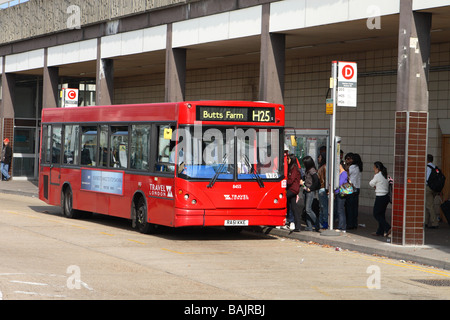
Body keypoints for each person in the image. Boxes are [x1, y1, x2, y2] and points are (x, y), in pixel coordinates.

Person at [369, 161, 391, 237]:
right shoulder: (386, 175)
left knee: (376, 214)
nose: (373, 169)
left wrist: (375, 175)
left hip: (380, 196)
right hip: (386, 197)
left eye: (374, 167)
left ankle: (388, 228)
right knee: (381, 214)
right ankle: (380, 231)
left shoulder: (377, 175)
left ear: (377, 168)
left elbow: (371, 183)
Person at [300, 155, 320, 231]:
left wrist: (310, 188)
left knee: (308, 209)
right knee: (307, 209)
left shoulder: (312, 170)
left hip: (309, 191)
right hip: (305, 189)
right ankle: (309, 226)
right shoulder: (307, 170)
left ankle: (316, 224)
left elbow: (316, 181)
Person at [345, 153, 363, 229]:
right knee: (354, 207)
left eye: (350, 159)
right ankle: (354, 223)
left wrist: (346, 166)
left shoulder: (352, 167)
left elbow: (346, 174)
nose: (348, 160)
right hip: (357, 188)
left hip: (350, 187)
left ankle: (349, 224)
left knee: (349, 207)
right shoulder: (359, 167)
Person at [286, 154, 301, 232]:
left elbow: (291, 180)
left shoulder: (294, 169)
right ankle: (298, 225)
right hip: (293, 189)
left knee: (283, 198)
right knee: (294, 207)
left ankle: (289, 220)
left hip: (293, 189)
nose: (287, 161)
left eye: (288, 159)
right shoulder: (292, 168)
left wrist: (285, 182)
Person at [425, 154, 439, 229]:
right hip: (434, 189)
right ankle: (425, 222)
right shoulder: (435, 167)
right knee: (427, 204)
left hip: (428, 188)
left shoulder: (427, 168)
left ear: (427, 160)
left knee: (430, 206)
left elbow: (426, 179)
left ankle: (434, 223)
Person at [334, 161, 347, 232]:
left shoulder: (344, 173)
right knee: (339, 210)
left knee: (340, 210)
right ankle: (341, 226)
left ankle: (341, 227)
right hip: (337, 193)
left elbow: (339, 183)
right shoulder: (339, 173)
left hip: (341, 193)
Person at [317, 152, 328, 229]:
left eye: (320, 157)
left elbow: (325, 179)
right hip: (322, 188)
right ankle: (321, 221)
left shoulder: (324, 167)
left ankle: (325, 222)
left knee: (323, 207)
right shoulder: (323, 167)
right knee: (322, 207)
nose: (318, 159)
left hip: (322, 188)